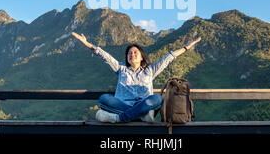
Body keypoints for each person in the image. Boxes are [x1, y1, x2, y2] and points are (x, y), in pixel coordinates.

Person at [71, 31, 202, 123]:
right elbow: (104, 56)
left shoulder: (150, 70)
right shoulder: (121, 69)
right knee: (104, 99)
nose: (132, 54)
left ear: (141, 57)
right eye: (129, 53)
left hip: (143, 104)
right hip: (123, 104)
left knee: (157, 99)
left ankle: (119, 118)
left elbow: (168, 58)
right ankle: (140, 116)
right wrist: (87, 44)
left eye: (135, 52)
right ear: (127, 57)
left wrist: (187, 47)